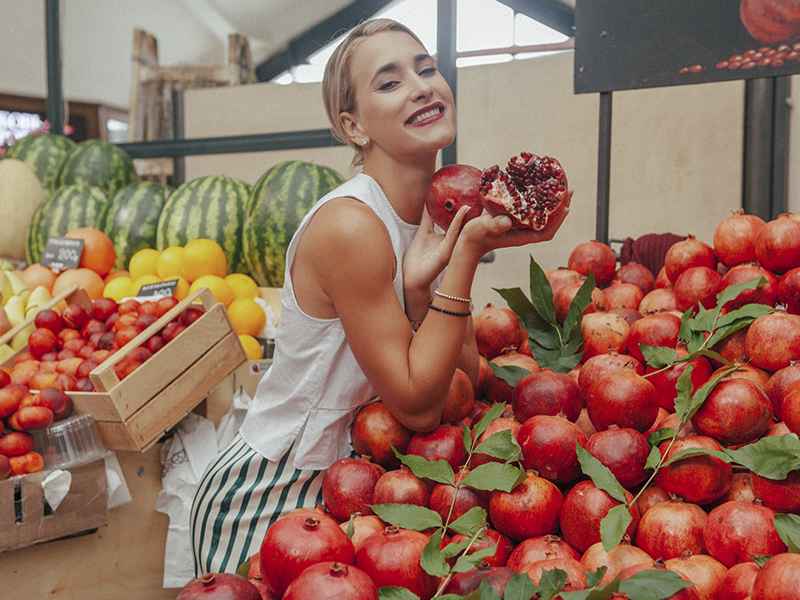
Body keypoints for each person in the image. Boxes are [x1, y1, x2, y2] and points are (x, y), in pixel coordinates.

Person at [190, 17, 571, 575]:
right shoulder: (351, 226)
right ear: (353, 125)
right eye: (389, 82)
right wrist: (463, 257)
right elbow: (417, 406)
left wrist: (425, 288)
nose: (421, 87)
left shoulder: (433, 214)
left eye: (427, 70)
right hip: (275, 492)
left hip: (362, 484)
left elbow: (458, 387)